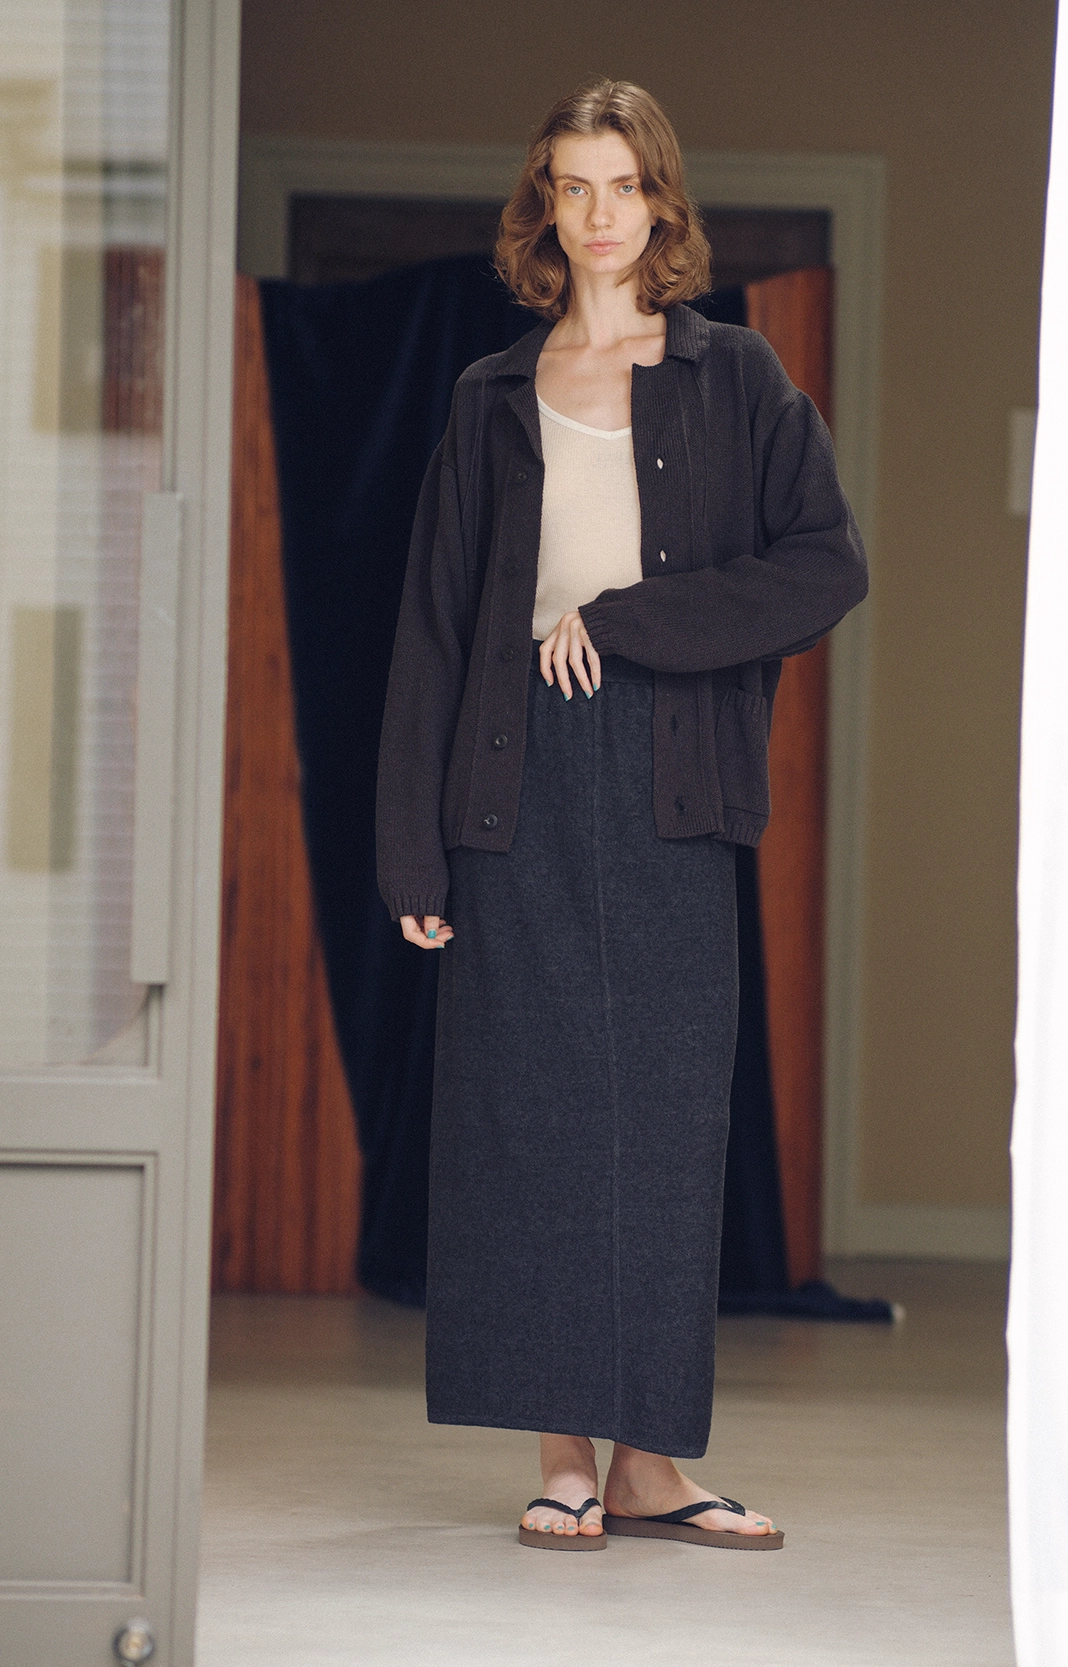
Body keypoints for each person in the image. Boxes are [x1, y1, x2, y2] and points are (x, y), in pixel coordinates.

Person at [376, 77, 866, 1552]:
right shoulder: (489, 393)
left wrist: (631, 620)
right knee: (526, 1116)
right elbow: (435, 628)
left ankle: (653, 1461)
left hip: (670, 773)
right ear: (545, 202)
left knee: (660, 1120)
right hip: (511, 773)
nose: (598, 215)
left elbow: (824, 564)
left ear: (661, 200)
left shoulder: (736, 377)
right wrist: (410, 844)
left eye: (623, 185)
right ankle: (565, 1458)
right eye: (571, 186)